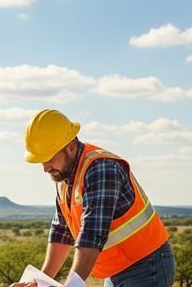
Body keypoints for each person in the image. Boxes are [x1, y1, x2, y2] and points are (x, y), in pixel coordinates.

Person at [16, 109, 175, 286]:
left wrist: (72, 285)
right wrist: (41, 281)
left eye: (50, 158)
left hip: (146, 267)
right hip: (115, 271)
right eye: (41, 160)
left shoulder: (101, 168)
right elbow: (61, 233)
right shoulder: (63, 176)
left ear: (71, 147)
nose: (45, 168)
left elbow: (91, 235)